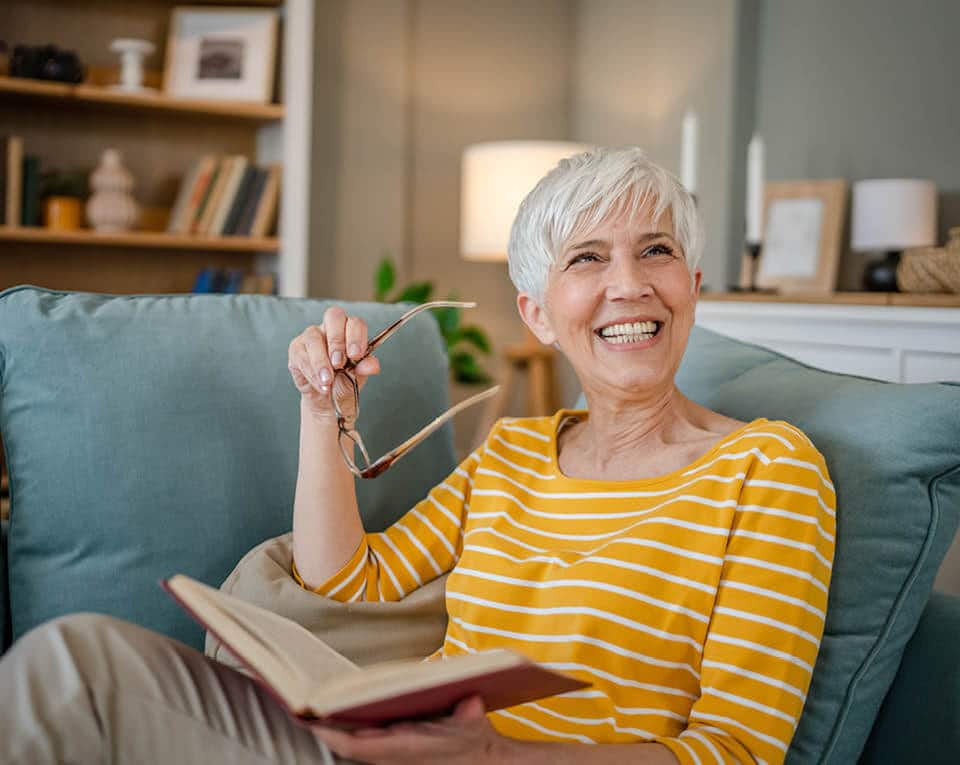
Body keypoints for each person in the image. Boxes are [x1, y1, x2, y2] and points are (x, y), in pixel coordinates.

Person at [0, 147, 835, 765]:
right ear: (538, 313)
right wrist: (323, 411)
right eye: (588, 258)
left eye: (656, 251)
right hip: (386, 755)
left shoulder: (767, 469)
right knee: (76, 660)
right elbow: (344, 581)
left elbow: (737, 751)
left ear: (692, 282)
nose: (630, 283)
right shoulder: (512, 452)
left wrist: (492, 755)